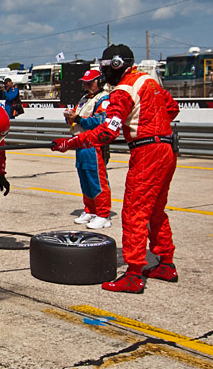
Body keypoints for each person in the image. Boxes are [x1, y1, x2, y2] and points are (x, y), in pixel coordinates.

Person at [52, 44, 180, 294]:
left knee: (135, 212)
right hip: (167, 149)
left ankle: (133, 275)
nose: (104, 72)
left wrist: (70, 143)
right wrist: (151, 120)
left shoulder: (123, 90)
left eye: (105, 67)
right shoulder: (149, 82)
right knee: (156, 211)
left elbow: (106, 132)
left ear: (117, 65)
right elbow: (173, 109)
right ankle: (165, 263)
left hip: (147, 152)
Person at [63, 70, 112, 229]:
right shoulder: (84, 99)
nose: (86, 85)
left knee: (96, 179)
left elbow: (99, 121)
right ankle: (90, 209)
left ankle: (103, 214)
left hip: (94, 144)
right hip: (80, 143)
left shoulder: (103, 99)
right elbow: (79, 118)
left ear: (100, 82)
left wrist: (77, 119)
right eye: (85, 82)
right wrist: (70, 117)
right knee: (84, 178)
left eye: (90, 82)